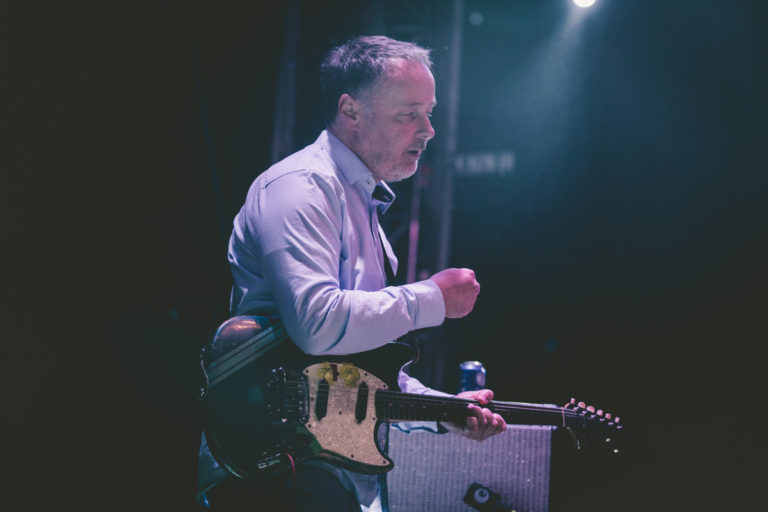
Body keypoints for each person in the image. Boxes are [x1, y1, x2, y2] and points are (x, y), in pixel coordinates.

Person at [198, 35, 506, 511]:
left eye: (429, 112)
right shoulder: (301, 186)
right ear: (350, 110)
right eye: (409, 114)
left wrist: (444, 408)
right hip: (274, 467)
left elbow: (362, 366)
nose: (428, 130)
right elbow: (317, 324)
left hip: (323, 469)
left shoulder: (360, 201)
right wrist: (432, 298)